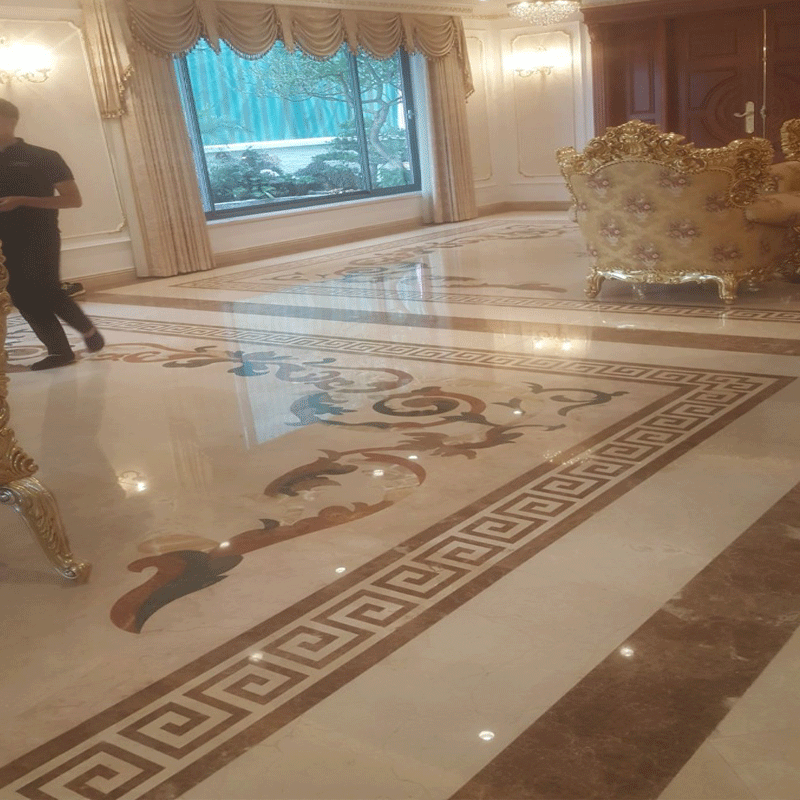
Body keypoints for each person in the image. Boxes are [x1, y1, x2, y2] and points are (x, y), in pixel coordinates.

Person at [0, 98, 103, 370]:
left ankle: (89, 331)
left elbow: (72, 200)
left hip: (39, 235)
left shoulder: (44, 157)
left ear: (10, 121)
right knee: (20, 295)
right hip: (3, 241)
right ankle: (59, 351)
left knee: (47, 290)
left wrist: (22, 200)